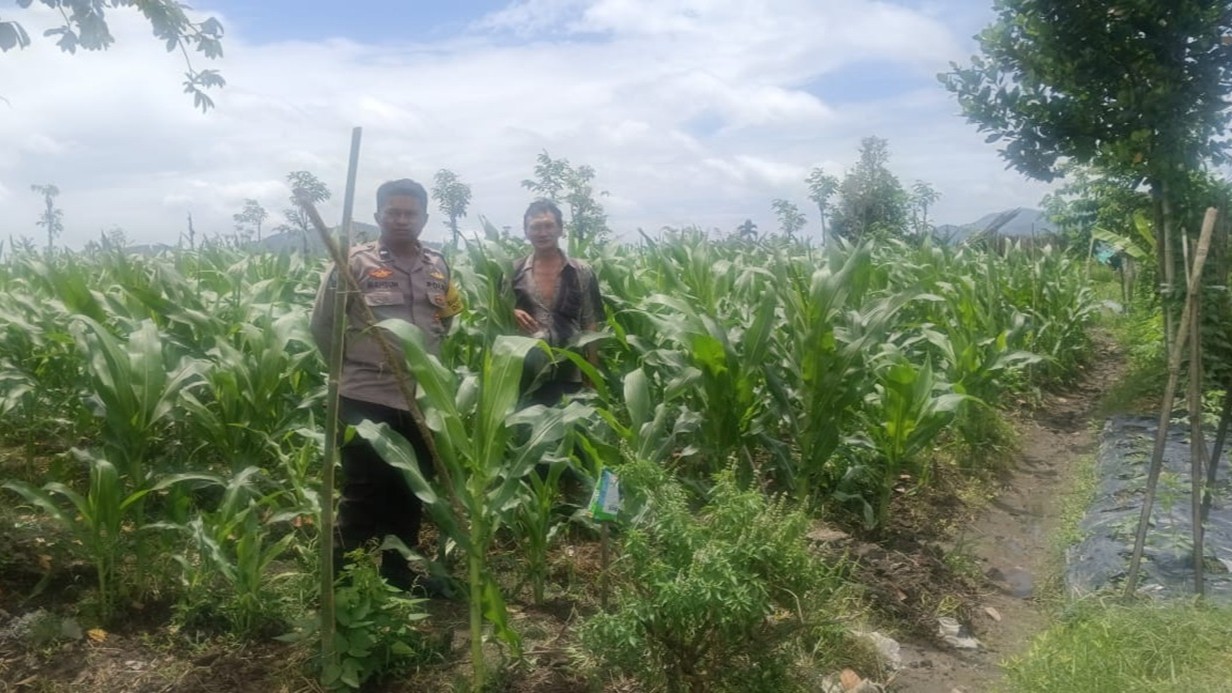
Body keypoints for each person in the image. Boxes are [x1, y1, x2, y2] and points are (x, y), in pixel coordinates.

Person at [310, 178, 462, 592]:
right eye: (393, 212)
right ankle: (344, 583)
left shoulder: (438, 265)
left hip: (421, 397)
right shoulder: (353, 263)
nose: (401, 219)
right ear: (378, 215)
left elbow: (447, 318)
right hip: (365, 394)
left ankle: (398, 574)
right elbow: (323, 324)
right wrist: (349, 367)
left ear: (424, 218)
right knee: (364, 488)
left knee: (412, 487)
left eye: (410, 213)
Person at [511, 199, 605, 405]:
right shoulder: (513, 271)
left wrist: (591, 368)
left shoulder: (581, 271)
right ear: (526, 231)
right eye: (535, 227)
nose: (542, 233)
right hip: (527, 373)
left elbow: (590, 322)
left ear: (560, 229)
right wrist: (511, 312)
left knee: (573, 424)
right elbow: (497, 315)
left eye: (548, 226)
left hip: (571, 371)